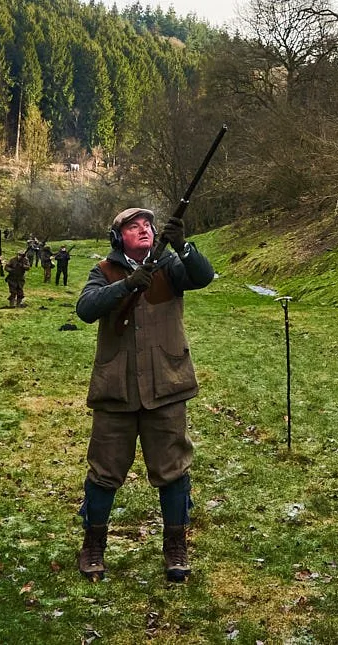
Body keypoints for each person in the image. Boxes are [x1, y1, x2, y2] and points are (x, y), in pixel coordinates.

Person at [74, 206, 216, 582]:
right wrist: (127, 284)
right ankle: (93, 547)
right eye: (133, 226)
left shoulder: (170, 266)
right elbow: (86, 309)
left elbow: (203, 277)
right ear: (118, 236)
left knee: (173, 472)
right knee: (104, 472)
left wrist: (184, 246)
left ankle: (175, 547)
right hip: (116, 390)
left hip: (167, 385)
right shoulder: (102, 271)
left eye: (148, 226)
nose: (143, 230)